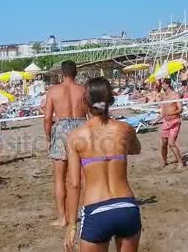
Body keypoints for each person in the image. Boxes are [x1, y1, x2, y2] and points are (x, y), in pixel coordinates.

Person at [65, 77, 142, 252]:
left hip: (97, 209)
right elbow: (136, 149)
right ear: (110, 100)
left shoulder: (76, 137)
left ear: (85, 101)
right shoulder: (125, 129)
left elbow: (75, 184)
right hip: (127, 207)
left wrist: (71, 225)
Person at [44, 60, 88, 227]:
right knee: (85, 176)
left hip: (61, 127)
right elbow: (91, 115)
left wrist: (49, 138)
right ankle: (85, 214)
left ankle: (63, 218)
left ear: (61, 73)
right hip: (81, 127)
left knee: (59, 178)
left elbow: (48, 118)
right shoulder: (83, 90)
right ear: (76, 73)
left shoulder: (54, 91)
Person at [151, 79, 185, 169]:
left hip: (175, 121)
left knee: (171, 143)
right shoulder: (163, 97)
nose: (161, 86)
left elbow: (180, 109)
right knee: (164, 144)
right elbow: (162, 113)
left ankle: (180, 162)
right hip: (166, 122)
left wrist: (172, 113)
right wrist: (156, 120)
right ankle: (164, 161)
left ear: (167, 85)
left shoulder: (175, 95)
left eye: (162, 84)